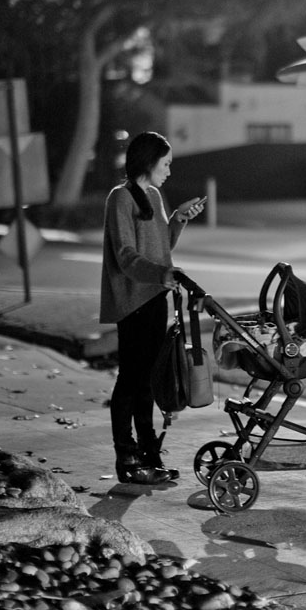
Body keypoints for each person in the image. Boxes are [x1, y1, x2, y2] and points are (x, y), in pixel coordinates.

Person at [100, 131, 206, 485]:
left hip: (155, 298)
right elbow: (127, 256)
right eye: (166, 164)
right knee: (130, 380)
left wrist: (178, 218)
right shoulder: (121, 198)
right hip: (132, 302)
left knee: (147, 380)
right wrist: (163, 273)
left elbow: (162, 249)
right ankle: (126, 457)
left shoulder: (155, 196)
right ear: (148, 162)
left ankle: (148, 454)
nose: (169, 171)